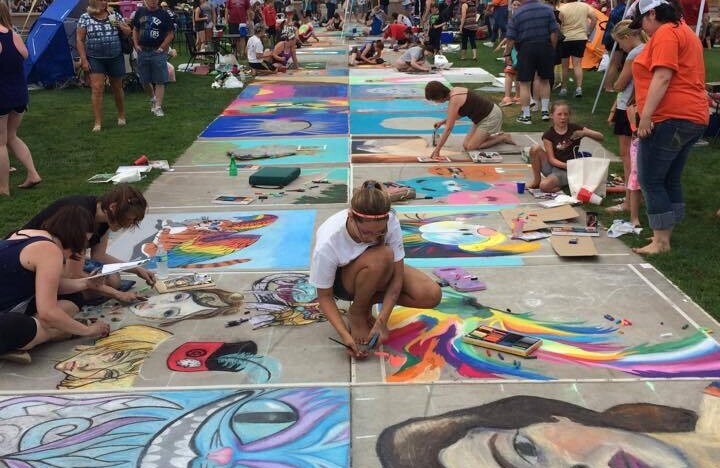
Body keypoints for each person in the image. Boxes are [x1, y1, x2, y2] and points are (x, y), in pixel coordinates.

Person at [309, 180, 441, 357]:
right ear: (350, 217)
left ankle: (364, 304)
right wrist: (344, 335)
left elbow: (397, 279)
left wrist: (382, 321)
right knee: (383, 255)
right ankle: (357, 312)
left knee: (430, 295)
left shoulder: (391, 220)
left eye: (379, 233)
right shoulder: (329, 242)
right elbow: (324, 297)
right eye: (365, 233)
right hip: (345, 283)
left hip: (378, 270)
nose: (372, 238)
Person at [629, 0, 708, 254]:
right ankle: (666, 232)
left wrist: (645, 116)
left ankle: (661, 241)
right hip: (693, 114)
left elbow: (663, 76)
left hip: (670, 116)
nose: (643, 28)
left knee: (650, 178)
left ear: (652, 14)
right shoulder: (684, 30)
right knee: (670, 177)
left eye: (643, 22)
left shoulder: (665, 33)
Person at [0, 206, 110, 356]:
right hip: (7, 318)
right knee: (20, 326)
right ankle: (49, 334)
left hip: (11, 303)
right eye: (83, 244)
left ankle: (35, 334)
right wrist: (87, 331)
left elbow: (51, 286)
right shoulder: (49, 250)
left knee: (74, 296)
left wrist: (86, 283)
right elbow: (47, 312)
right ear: (75, 237)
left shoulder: (27, 234)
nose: (81, 250)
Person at [18, 185, 155, 303]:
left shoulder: (104, 216)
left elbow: (99, 256)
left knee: (113, 279)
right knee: (101, 287)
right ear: (113, 207)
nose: (129, 225)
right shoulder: (82, 219)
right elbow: (75, 274)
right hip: (29, 259)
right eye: (129, 220)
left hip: (59, 256)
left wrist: (136, 269)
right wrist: (117, 294)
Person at [605, 20, 645, 226]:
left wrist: (613, 80)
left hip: (628, 107)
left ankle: (629, 202)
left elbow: (620, 84)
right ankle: (632, 197)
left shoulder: (633, 53)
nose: (620, 47)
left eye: (620, 42)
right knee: (635, 156)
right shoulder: (647, 48)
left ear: (628, 37)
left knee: (628, 157)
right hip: (636, 106)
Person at [0, 1, 42, 196]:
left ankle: (3, 188)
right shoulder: (14, 35)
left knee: (0, 142)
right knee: (11, 136)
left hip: (2, 95)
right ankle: (33, 174)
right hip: (19, 93)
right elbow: (25, 56)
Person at [76, 0, 131, 133]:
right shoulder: (85, 17)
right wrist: (83, 59)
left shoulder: (114, 14)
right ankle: (97, 122)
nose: (105, 2)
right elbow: (80, 39)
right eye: (102, 0)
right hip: (95, 58)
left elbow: (128, 32)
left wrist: (121, 26)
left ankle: (121, 115)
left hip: (115, 57)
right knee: (97, 89)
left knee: (117, 88)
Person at [425, 81, 516, 160]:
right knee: (466, 145)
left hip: (490, 116)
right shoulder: (454, 91)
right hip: (480, 117)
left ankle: (503, 137)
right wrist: (443, 122)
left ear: (439, 97)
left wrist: (437, 150)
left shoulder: (454, 101)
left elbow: (448, 128)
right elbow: (461, 113)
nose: (435, 102)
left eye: (434, 100)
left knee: (471, 147)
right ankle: (491, 136)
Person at [527, 101, 604, 192]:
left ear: (569, 116)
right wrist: (567, 165)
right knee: (535, 148)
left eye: (565, 114)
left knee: (544, 186)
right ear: (552, 116)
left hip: (567, 171)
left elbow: (600, 137)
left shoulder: (574, 128)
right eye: (559, 114)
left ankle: (564, 184)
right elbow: (551, 159)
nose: (563, 117)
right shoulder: (548, 134)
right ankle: (536, 180)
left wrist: (584, 133)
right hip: (554, 166)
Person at [504, 0, 559, 124]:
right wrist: (552, 48)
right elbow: (554, 31)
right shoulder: (547, 10)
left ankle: (526, 115)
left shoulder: (518, 13)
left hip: (526, 48)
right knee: (545, 80)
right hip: (545, 46)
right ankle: (545, 110)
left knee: (524, 83)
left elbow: (511, 37)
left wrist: (507, 53)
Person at [131, 0, 174, 118]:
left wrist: (162, 48)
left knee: (160, 80)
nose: (153, 2)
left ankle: (158, 106)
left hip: (157, 51)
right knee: (144, 80)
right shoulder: (140, 12)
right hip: (143, 50)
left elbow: (170, 33)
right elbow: (135, 29)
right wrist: (135, 44)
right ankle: (153, 98)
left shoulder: (164, 14)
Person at [557, 0, 597, 98]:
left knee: (564, 66)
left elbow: (558, 23)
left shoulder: (562, 8)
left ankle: (564, 88)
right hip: (580, 38)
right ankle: (579, 88)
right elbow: (594, 19)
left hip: (565, 38)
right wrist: (589, 31)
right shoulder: (585, 6)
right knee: (577, 64)